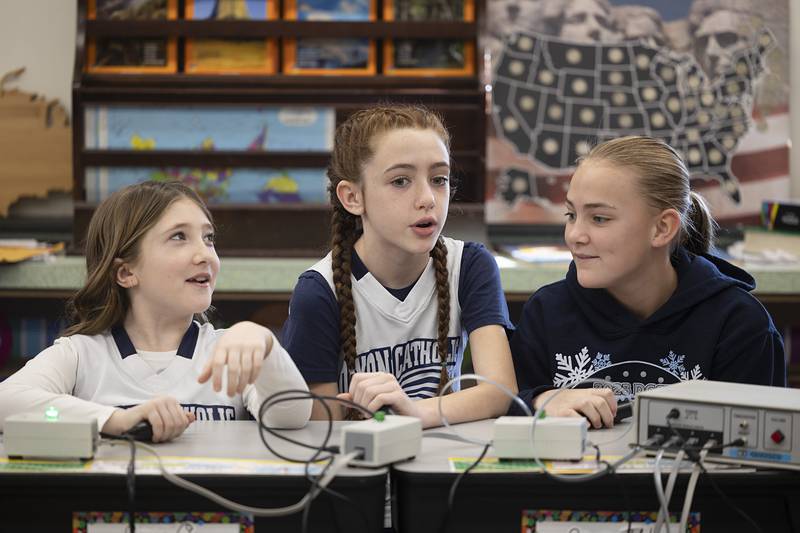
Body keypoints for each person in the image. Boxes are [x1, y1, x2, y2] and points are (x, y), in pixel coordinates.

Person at [0, 181, 311, 442]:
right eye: (179, 237)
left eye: (209, 238)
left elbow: (292, 417)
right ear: (126, 273)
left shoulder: (228, 351)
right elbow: (6, 402)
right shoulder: (83, 353)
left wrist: (266, 344)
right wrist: (115, 420)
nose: (205, 254)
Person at [510, 136, 786, 427]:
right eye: (571, 215)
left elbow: (756, 455)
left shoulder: (740, 324)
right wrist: (540, 401)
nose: (575, 235)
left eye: (600, 218)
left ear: (662, 228)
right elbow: (506, 410)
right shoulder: (545, 313)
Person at [282, 105, 517, 427]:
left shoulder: (471, 265)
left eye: (439, 179)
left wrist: (413, 412)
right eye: (401, 181)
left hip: (443, 462)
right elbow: (320, 423)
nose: (427, 198)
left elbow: (499, 391)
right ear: (352, 197)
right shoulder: (319, 291)